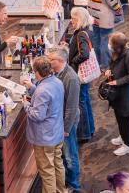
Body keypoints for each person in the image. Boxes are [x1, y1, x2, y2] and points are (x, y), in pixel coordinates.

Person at [22, 56, 66, 193]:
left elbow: (38, 115)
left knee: (47, 172)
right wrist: (32, 88)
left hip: (45, 138)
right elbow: (49, 100)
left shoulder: (42, 90)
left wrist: (26, 105)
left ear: (36, 72)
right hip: (57, 133)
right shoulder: (57, 82)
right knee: (58, 165)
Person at [47, 46, 82, 191]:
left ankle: (74, 185)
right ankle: (66, 180)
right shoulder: (56, 73)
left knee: (69, 155)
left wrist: (66, 129)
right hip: (59, 120)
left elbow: (72, 107)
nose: (48, 62)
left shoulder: (71, 78)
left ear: (61, 60)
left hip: (67, 123)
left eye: (51, 60)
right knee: (63, 154)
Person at [104, 32, 129, 156]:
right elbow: (112, 64)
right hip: (117, 92)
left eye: (110, 43)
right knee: (118, 115)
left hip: (125, 93)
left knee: (124, 118)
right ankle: (123, 136)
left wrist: (117, 82)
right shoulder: (117, 53)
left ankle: (128, 144)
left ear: (116, 45)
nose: (108, 45)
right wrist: (108, 70)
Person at [67, 8, 96, 143]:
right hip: (85, 74)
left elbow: (84, 54)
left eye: (73, 18)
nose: (71, 21)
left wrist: (73, 61)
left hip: (80, 73)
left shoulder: (81, 34)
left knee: (81, 103)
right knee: (85, 101)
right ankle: (90, 129)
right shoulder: (87, 30)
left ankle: (84, 134)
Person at [86, 0, 122, 69]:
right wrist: (118, 11)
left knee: (96, 39)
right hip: (105, 17)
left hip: (93, 15)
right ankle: (106, 64)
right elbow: (113, 1)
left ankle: (97, 62)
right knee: (106, 41)